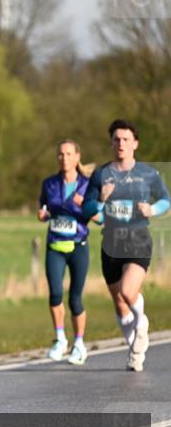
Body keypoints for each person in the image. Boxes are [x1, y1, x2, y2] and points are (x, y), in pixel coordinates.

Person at [82, 119, 170, 372]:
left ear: (135, 144)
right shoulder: (101, 174)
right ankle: (135, 347)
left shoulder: (148, 174)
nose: (121, 143)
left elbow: (166, 200)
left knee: (129, 292)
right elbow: (87, 208)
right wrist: (101, 199)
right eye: (116, 139)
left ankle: (142, 324)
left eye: (126, 139)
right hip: (111, 241)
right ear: (111, 143)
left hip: (138, 239)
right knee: (119, 303)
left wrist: (152, 208)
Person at [37, 140, 95, 365]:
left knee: (75, 299)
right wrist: (42, 215)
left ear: (77, 157)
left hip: (78, 245)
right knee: (54, 294)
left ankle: (79, 343)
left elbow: (99, 217)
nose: (64, 158)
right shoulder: (49, 184)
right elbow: (44, 208)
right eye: (60, 154)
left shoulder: (88, 185)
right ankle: (60, 339)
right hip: (55, 246)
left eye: (69, 154)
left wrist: (86, 207)